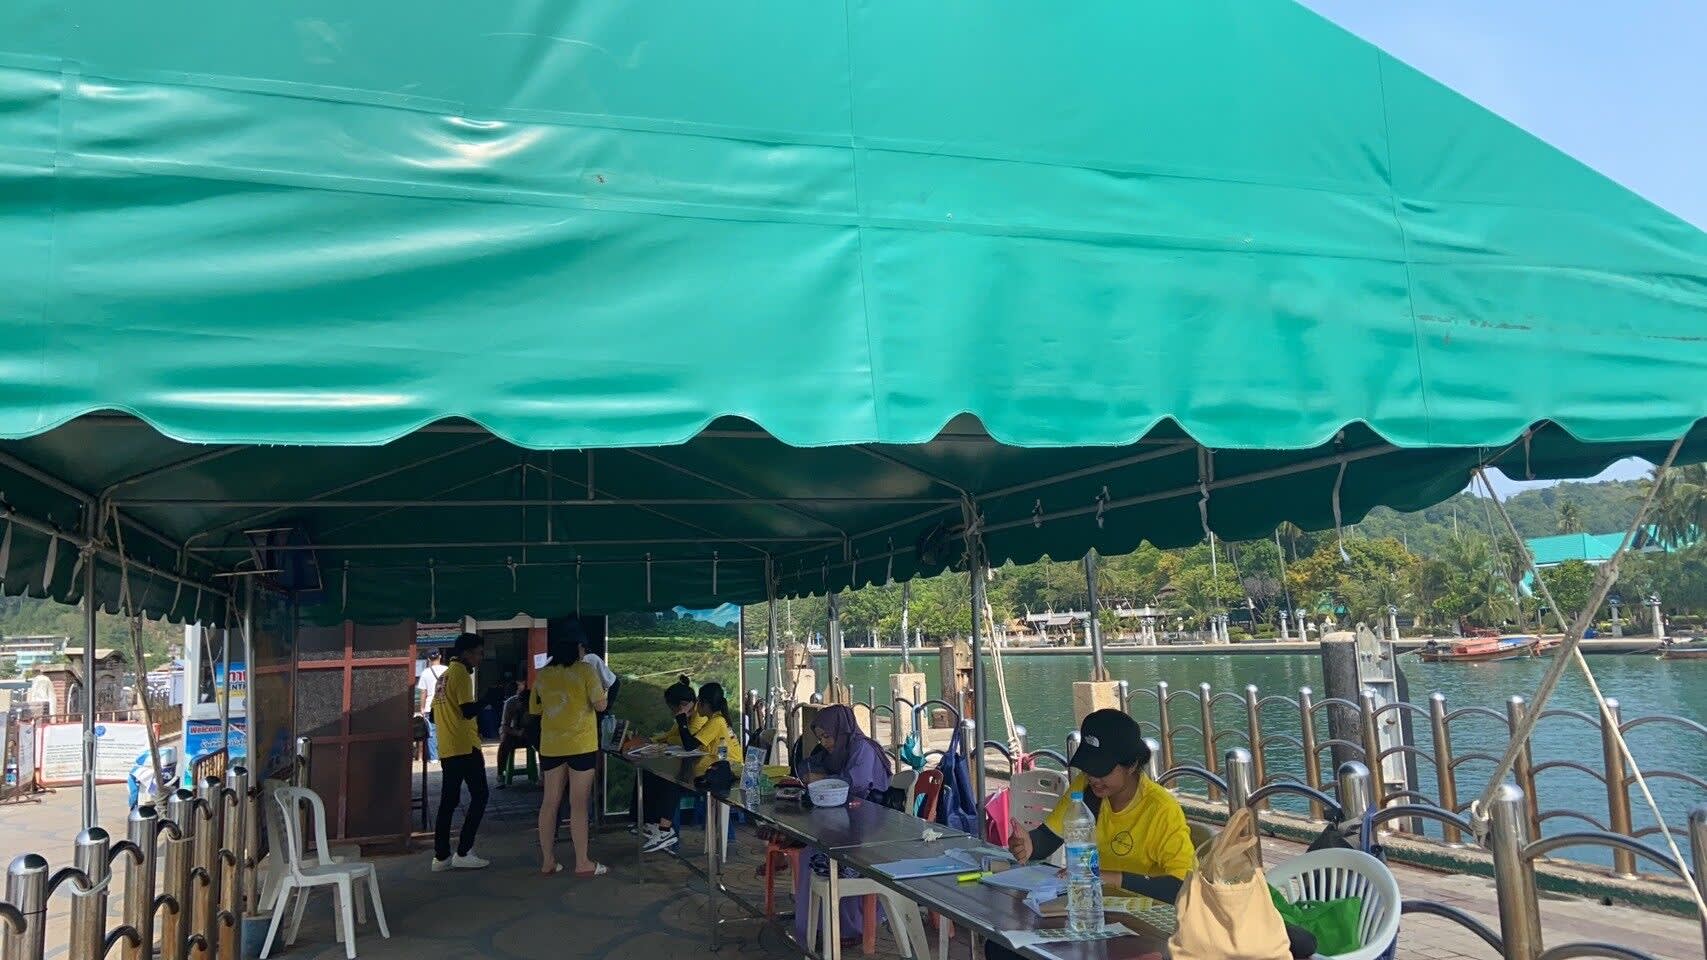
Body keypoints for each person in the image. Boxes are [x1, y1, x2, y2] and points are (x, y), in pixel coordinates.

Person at [793, 704, 892, 947]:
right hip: (847, 820)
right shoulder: (834, 751)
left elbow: (857, 783)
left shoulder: (863, 748)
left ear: (841, 729)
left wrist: (823, 778)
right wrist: (812, 772)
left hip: (872, 827)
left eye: (828, 736)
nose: (825, 742)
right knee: (810, 853)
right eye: (821, 737)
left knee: (827, 855)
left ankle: (848, 927)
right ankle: (819, 925)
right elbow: (809, 764)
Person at [531, 635, 608, 876]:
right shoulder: (585, 670)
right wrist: (603, 692)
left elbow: (535, 708)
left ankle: (548, 861)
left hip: (551, 746)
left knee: (549, 802)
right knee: (579, 804)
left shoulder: (543, 675)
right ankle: (582, 862)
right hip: (581, 745)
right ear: (577, 649)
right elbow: (600, 705)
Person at [431, 633, 490, 871]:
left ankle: (441, 856)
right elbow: (468, 710)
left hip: (447, 746)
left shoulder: (443, 677)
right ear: (467, 653)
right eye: (478, 653)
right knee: (480, 795)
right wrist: (487, 699)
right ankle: (464, 850)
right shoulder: (462, 675)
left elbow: (433, 715)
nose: (480, 658)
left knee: (448, 801)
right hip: (465, 745)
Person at [415, 649, 447, 763]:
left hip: (430, 706)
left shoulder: (425, 673)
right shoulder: (447, 670)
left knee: (432, 732)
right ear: (440, 657)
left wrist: (422, 708)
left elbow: (423, 692)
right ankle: (446, 755)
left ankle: (434, 757)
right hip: (445, 706)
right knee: (445, 730)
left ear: (428, 659)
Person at [495, 680, 528, 788]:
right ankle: (500, 774)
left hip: (529, 732)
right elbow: (504, 726)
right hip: (512, 731)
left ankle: (544, 774)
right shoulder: (510, 703)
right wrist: (517, 733)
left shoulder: (536, 702)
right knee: (505, 742)